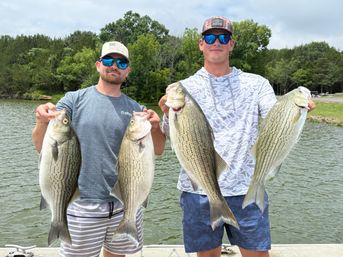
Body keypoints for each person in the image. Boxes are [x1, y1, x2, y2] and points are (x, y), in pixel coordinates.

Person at [159, 16, 315, 257]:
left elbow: (275, 117)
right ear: (201, 44)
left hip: (246, 187)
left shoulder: (257, 84)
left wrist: (294, 109)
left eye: (224, 37)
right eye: (210, 37)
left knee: (257, 254)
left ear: (232, 44)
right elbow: (172, 137)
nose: (216, 42)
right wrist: (167, 114)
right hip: (198, 189)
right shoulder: (183, 87)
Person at [32, 41, 166, 257]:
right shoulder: (73, 100)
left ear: (128, 70)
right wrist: (41, 120)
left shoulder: (136, 110)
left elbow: (158, 150)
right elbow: (41, 145)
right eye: (108, 60)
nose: (114, 65)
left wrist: (157, 126)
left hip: (126, 202)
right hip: (82, 203)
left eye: (121, 62)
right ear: (98, 65)